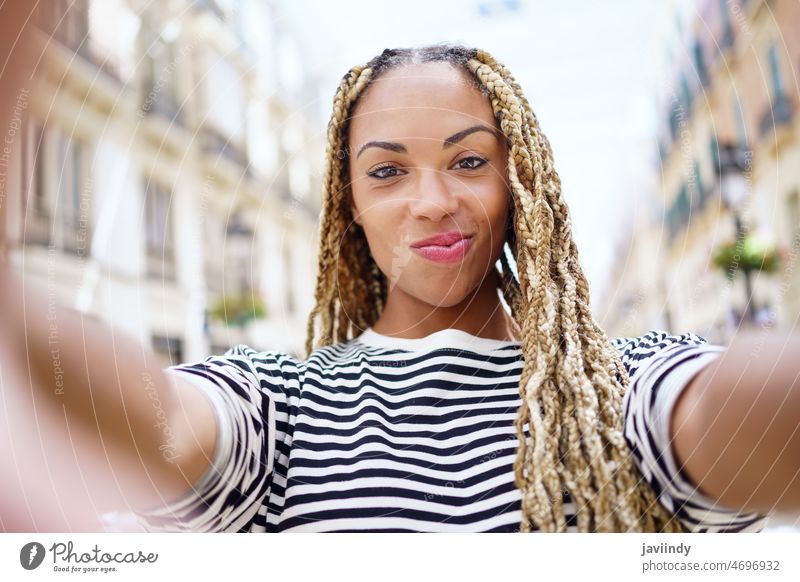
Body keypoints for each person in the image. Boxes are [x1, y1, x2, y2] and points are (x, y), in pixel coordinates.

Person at [2, 40, 799, 533]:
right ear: (350, 207)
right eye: (387, 171)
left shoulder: (618, 392)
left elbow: (750, 418)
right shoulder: (280, 406)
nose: (432, 201)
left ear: (519, 182)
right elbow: (165, 420)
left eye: (468, 161)